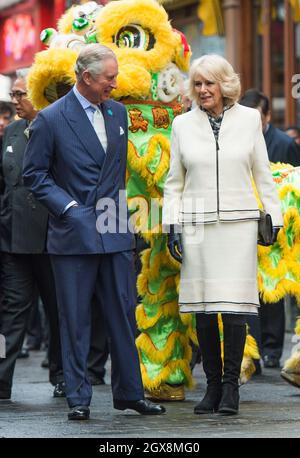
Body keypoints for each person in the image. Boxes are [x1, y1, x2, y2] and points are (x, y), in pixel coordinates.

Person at [23, 44, 165, 420]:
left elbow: (119, 173)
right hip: (73, 232)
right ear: (86, 77)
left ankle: (131, 394)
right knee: (74, 319)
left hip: (115, 227)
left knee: (123, 314)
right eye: (109, 79)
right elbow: (34, 174)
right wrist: (69, 209)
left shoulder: (118, 113)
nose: (115, 85)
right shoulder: (51, 119)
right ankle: (78, 398)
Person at [162, 55, 283, 415]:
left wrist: (272, 218)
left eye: (209, 84)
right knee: (202, 309)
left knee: (233, 309)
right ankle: (212, 386)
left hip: (239, 224)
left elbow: (263, 173)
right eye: (197, 84)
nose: (202, 90)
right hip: (197, 225)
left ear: (225, 85)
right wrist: (173, 224)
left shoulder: (249, 120)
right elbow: (174, 183)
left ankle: (231, 388)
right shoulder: (182, 125)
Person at [0, 68, 65, 399]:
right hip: (15, 240)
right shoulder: (11, 131)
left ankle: (62, 375)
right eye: (13, 95)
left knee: (59, 313)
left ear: (40, 95)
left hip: (53, 239)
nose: (15, 101)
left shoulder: (59, 128)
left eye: (20, 94)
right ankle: (1, 379)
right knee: (12, 313)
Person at [239, 89, 300, 369]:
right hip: (244, 221)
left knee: (273, 291)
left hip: (276, 225)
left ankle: (273, 348)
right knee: (247, 290)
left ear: (266, 116)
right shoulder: (236, 140)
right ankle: (251, 349)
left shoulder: (284, 143)